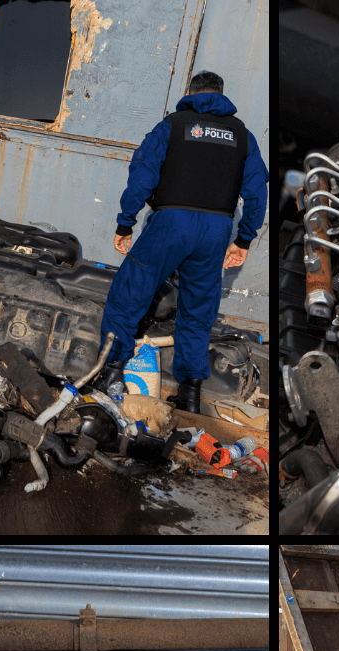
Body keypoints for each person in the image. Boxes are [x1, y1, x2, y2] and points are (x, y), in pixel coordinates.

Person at [97, 70, 269, 412]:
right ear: (221, 94)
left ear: (191, 92)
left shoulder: (173, 125)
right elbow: (257, 194)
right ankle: (189, 395)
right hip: (217, 228)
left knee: (131, 292)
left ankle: (112, 374)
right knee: (198, 310)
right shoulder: (243, 136)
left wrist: (125, 222)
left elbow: (142, 175)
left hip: (171, 222)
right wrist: (244, 239)